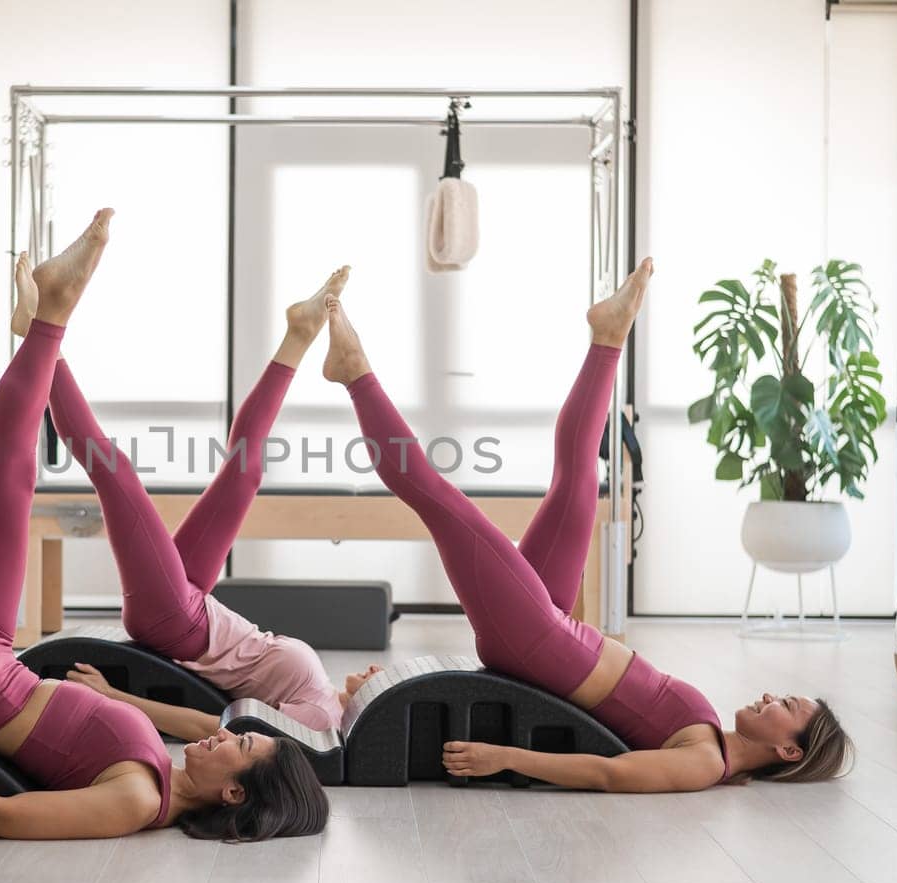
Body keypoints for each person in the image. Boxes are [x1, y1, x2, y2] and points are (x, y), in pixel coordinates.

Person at [0, 209, 327, 838]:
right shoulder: (160, 768)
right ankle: (49, 317)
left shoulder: (135, 802)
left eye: (241, 748)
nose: (228, 734)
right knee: (13, 476)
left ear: (234, 792)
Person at [320, 261, 854, 792]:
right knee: (576, 477)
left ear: (788, 750)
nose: (769, 697)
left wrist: (504, 757)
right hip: (558, 632)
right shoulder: (711, 730)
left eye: (785, 706)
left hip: (537, 640)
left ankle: (355, 374)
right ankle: (608, 337)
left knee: (437, 497)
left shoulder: (704, 764)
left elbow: (609, 773)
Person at [8, 253, 362, 737]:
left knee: (115, 473)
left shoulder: (320, 720)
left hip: (177, 620)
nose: (377, 673)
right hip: (197, 601)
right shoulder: (326, 698)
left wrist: (116, 697)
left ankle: (41, 328)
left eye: (380, 682)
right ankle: (299, 334)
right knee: (244, 473)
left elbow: (220, 728)